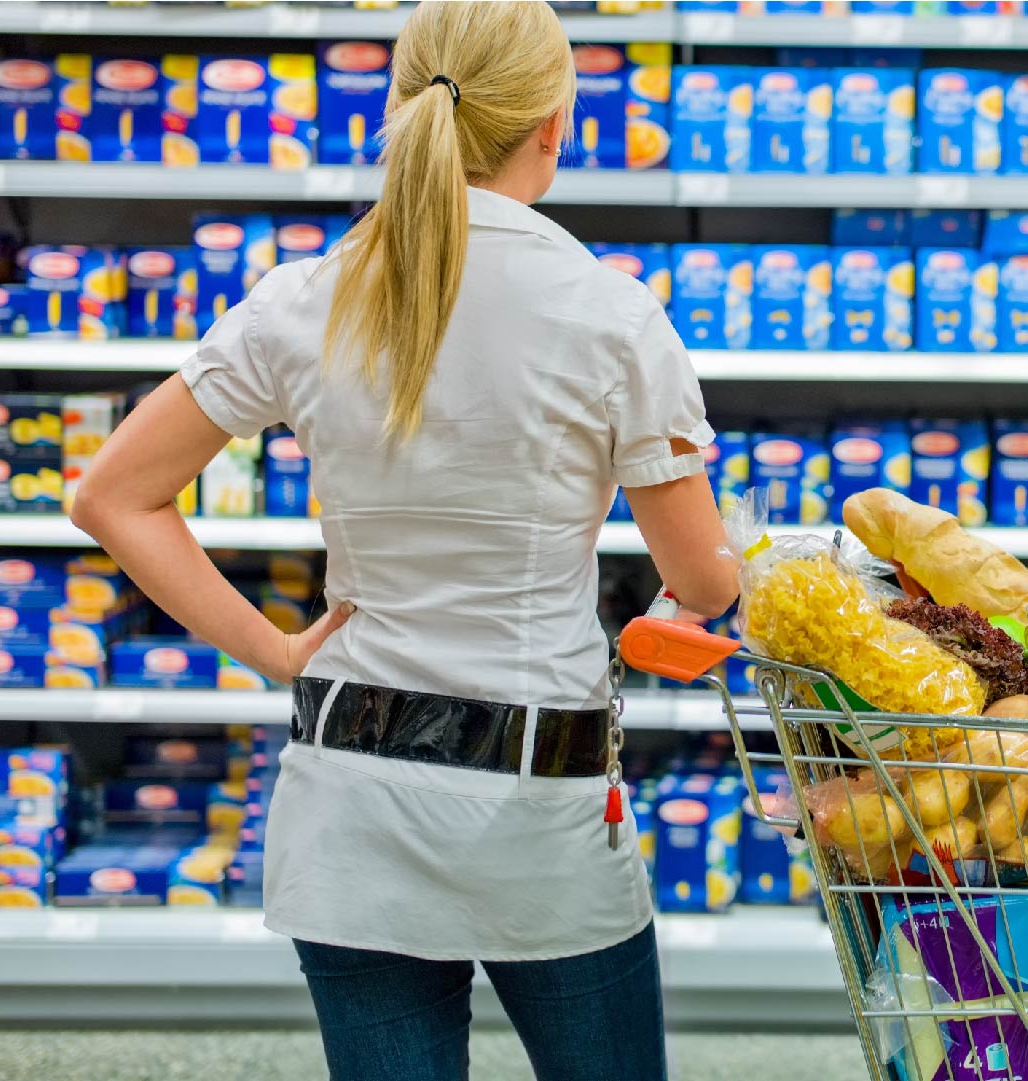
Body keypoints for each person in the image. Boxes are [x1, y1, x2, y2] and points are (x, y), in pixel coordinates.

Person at [71, 4, 739, 1078]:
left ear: (400, 106)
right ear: (553, 126)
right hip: (540, 809)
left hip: (350, 798)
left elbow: (111, 496)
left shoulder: (302, 298)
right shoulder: (611, 318)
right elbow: (700, 579)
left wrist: (275, 649)